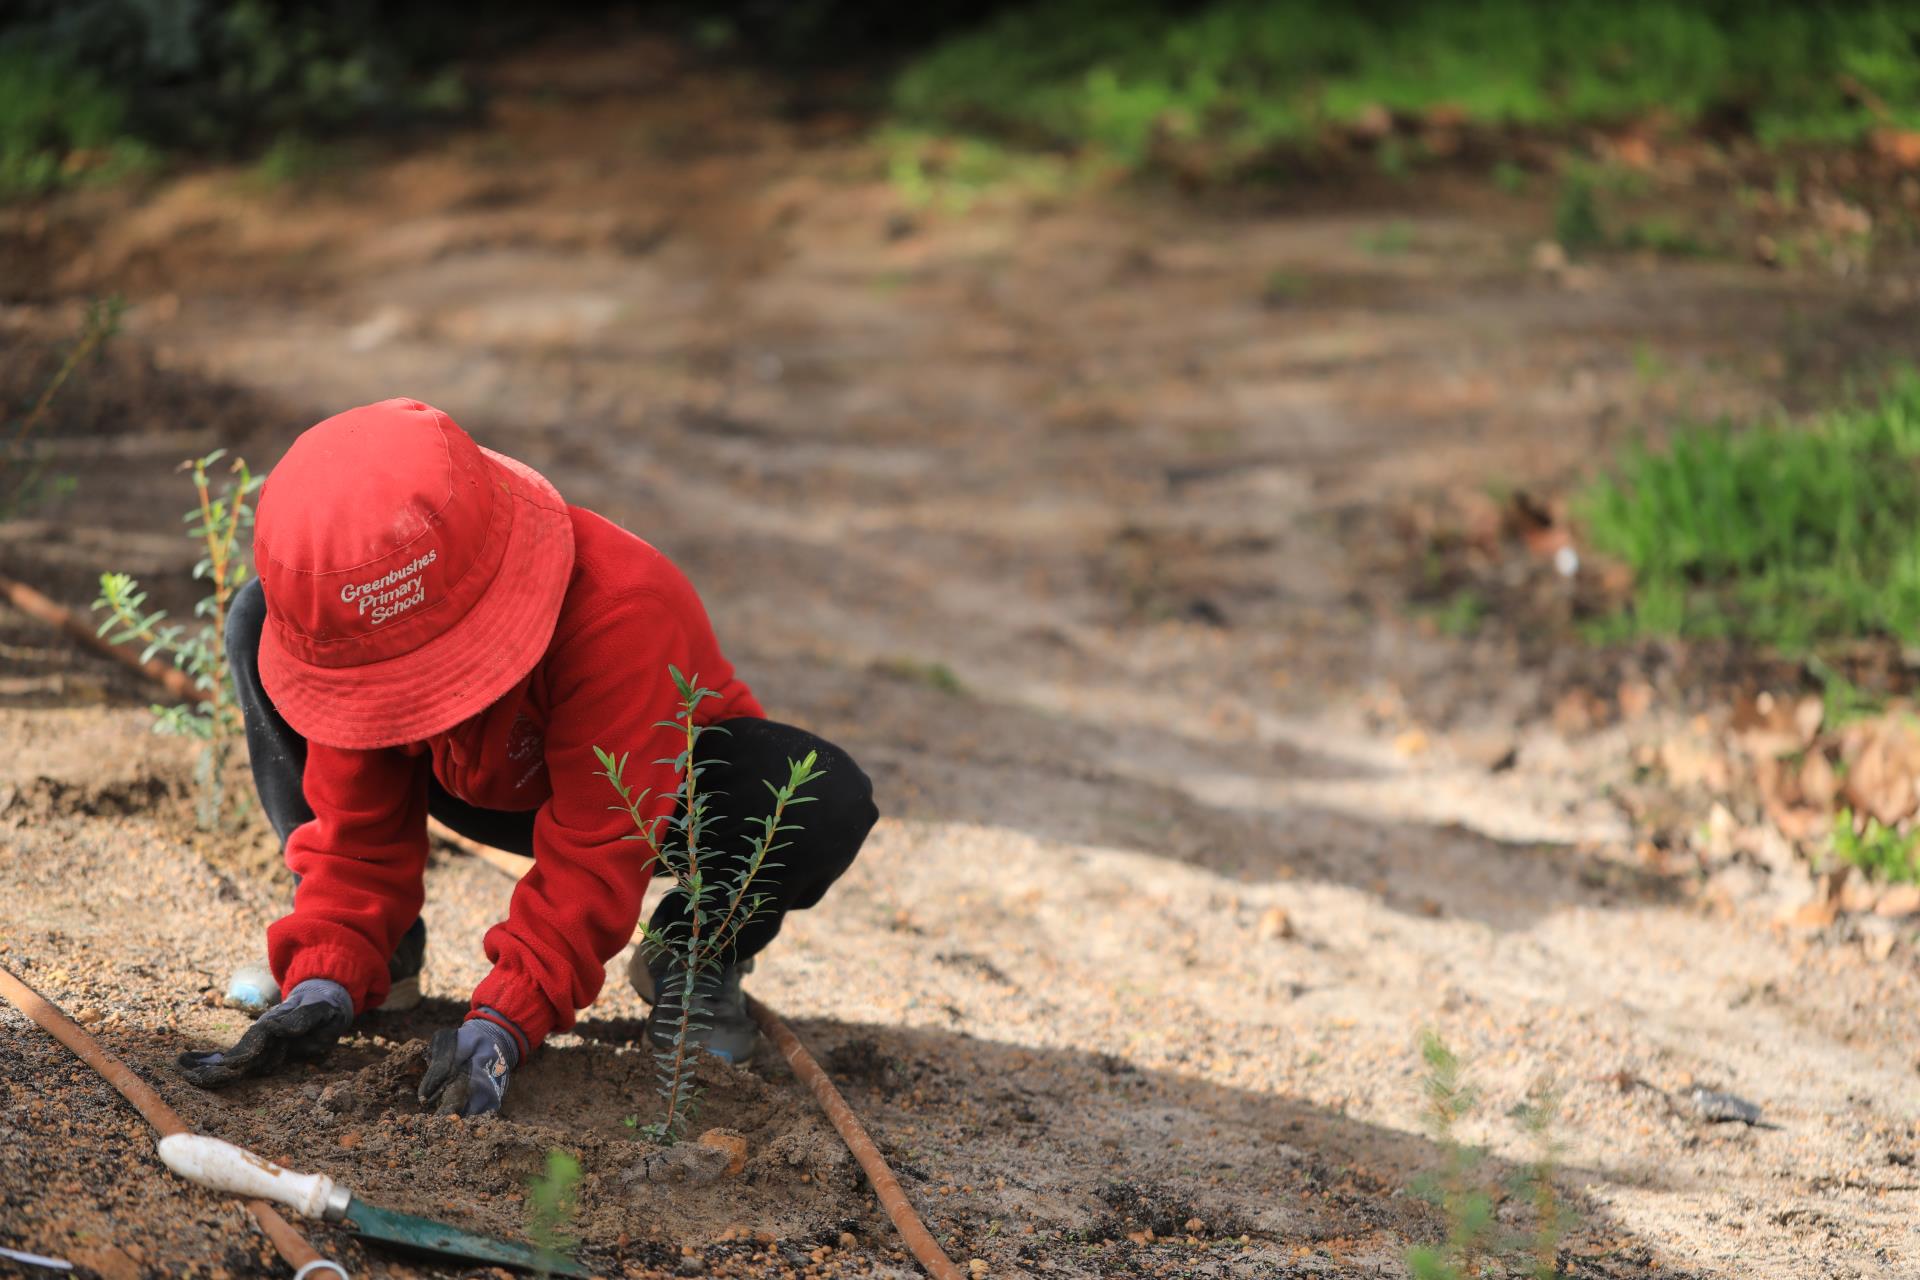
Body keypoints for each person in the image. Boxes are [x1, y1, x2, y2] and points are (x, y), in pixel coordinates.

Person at [174, 398, 876, 1116]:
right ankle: (380, 955)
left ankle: (696, 950)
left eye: (428, 676)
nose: (412, 698)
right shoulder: (356, 624)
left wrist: (506, 1019)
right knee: (259, 621)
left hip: (657, 795)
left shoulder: (622, 609)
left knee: (820, 798)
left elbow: (599, 850)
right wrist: (326, 968)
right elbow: (352, 816)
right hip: (472, 777)